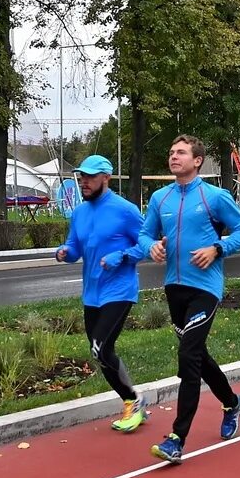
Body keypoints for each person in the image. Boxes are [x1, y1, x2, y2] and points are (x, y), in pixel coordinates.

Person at [102, 134, 240, 464]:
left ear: (196, 160)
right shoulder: (160, 198)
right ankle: (232, 403)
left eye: (181, 152)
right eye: (172, 152)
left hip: (206, 288)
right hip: (175, 288)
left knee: (187, 358)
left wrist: (218, 248)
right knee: (197, 354)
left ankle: (177, 438)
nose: (174, 156)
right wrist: (150, 247)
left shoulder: (215, 197)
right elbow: (144, 234)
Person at [55, 155, 150, 432]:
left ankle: (133, 400)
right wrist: (63, 253)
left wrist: (122, 255)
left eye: (90, 177)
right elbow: (74, 248)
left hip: (119, 291)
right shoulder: (79, 213)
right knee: (99, 353)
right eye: (81, 176)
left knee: (101, 348)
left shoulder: (125, 210)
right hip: (92, 293)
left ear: (106, 178)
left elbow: (146, 244)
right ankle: (133, 401)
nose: (84, 181)